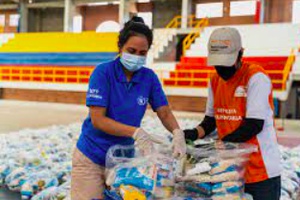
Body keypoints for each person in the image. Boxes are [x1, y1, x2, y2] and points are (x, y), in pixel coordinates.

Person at [71, 16, 186, 200]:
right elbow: (98, 120)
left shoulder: (148, 77)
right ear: (120, 47)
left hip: (122, 160)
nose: (137, 57)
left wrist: (178, 133)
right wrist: (136, 133)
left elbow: (163, 111)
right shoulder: (103, 73)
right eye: (131, 51)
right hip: (92, 156)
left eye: (142, 53)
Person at [184, 27, 281, 200]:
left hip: (260, 170)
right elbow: (210, 121)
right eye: (217, 63)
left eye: (226, 63)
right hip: (229, 170)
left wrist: (218, 146)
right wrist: (193, 134)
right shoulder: (214, 81)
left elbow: (253, 125)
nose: (221, 69)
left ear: (240, 54)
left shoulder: (256, 77)